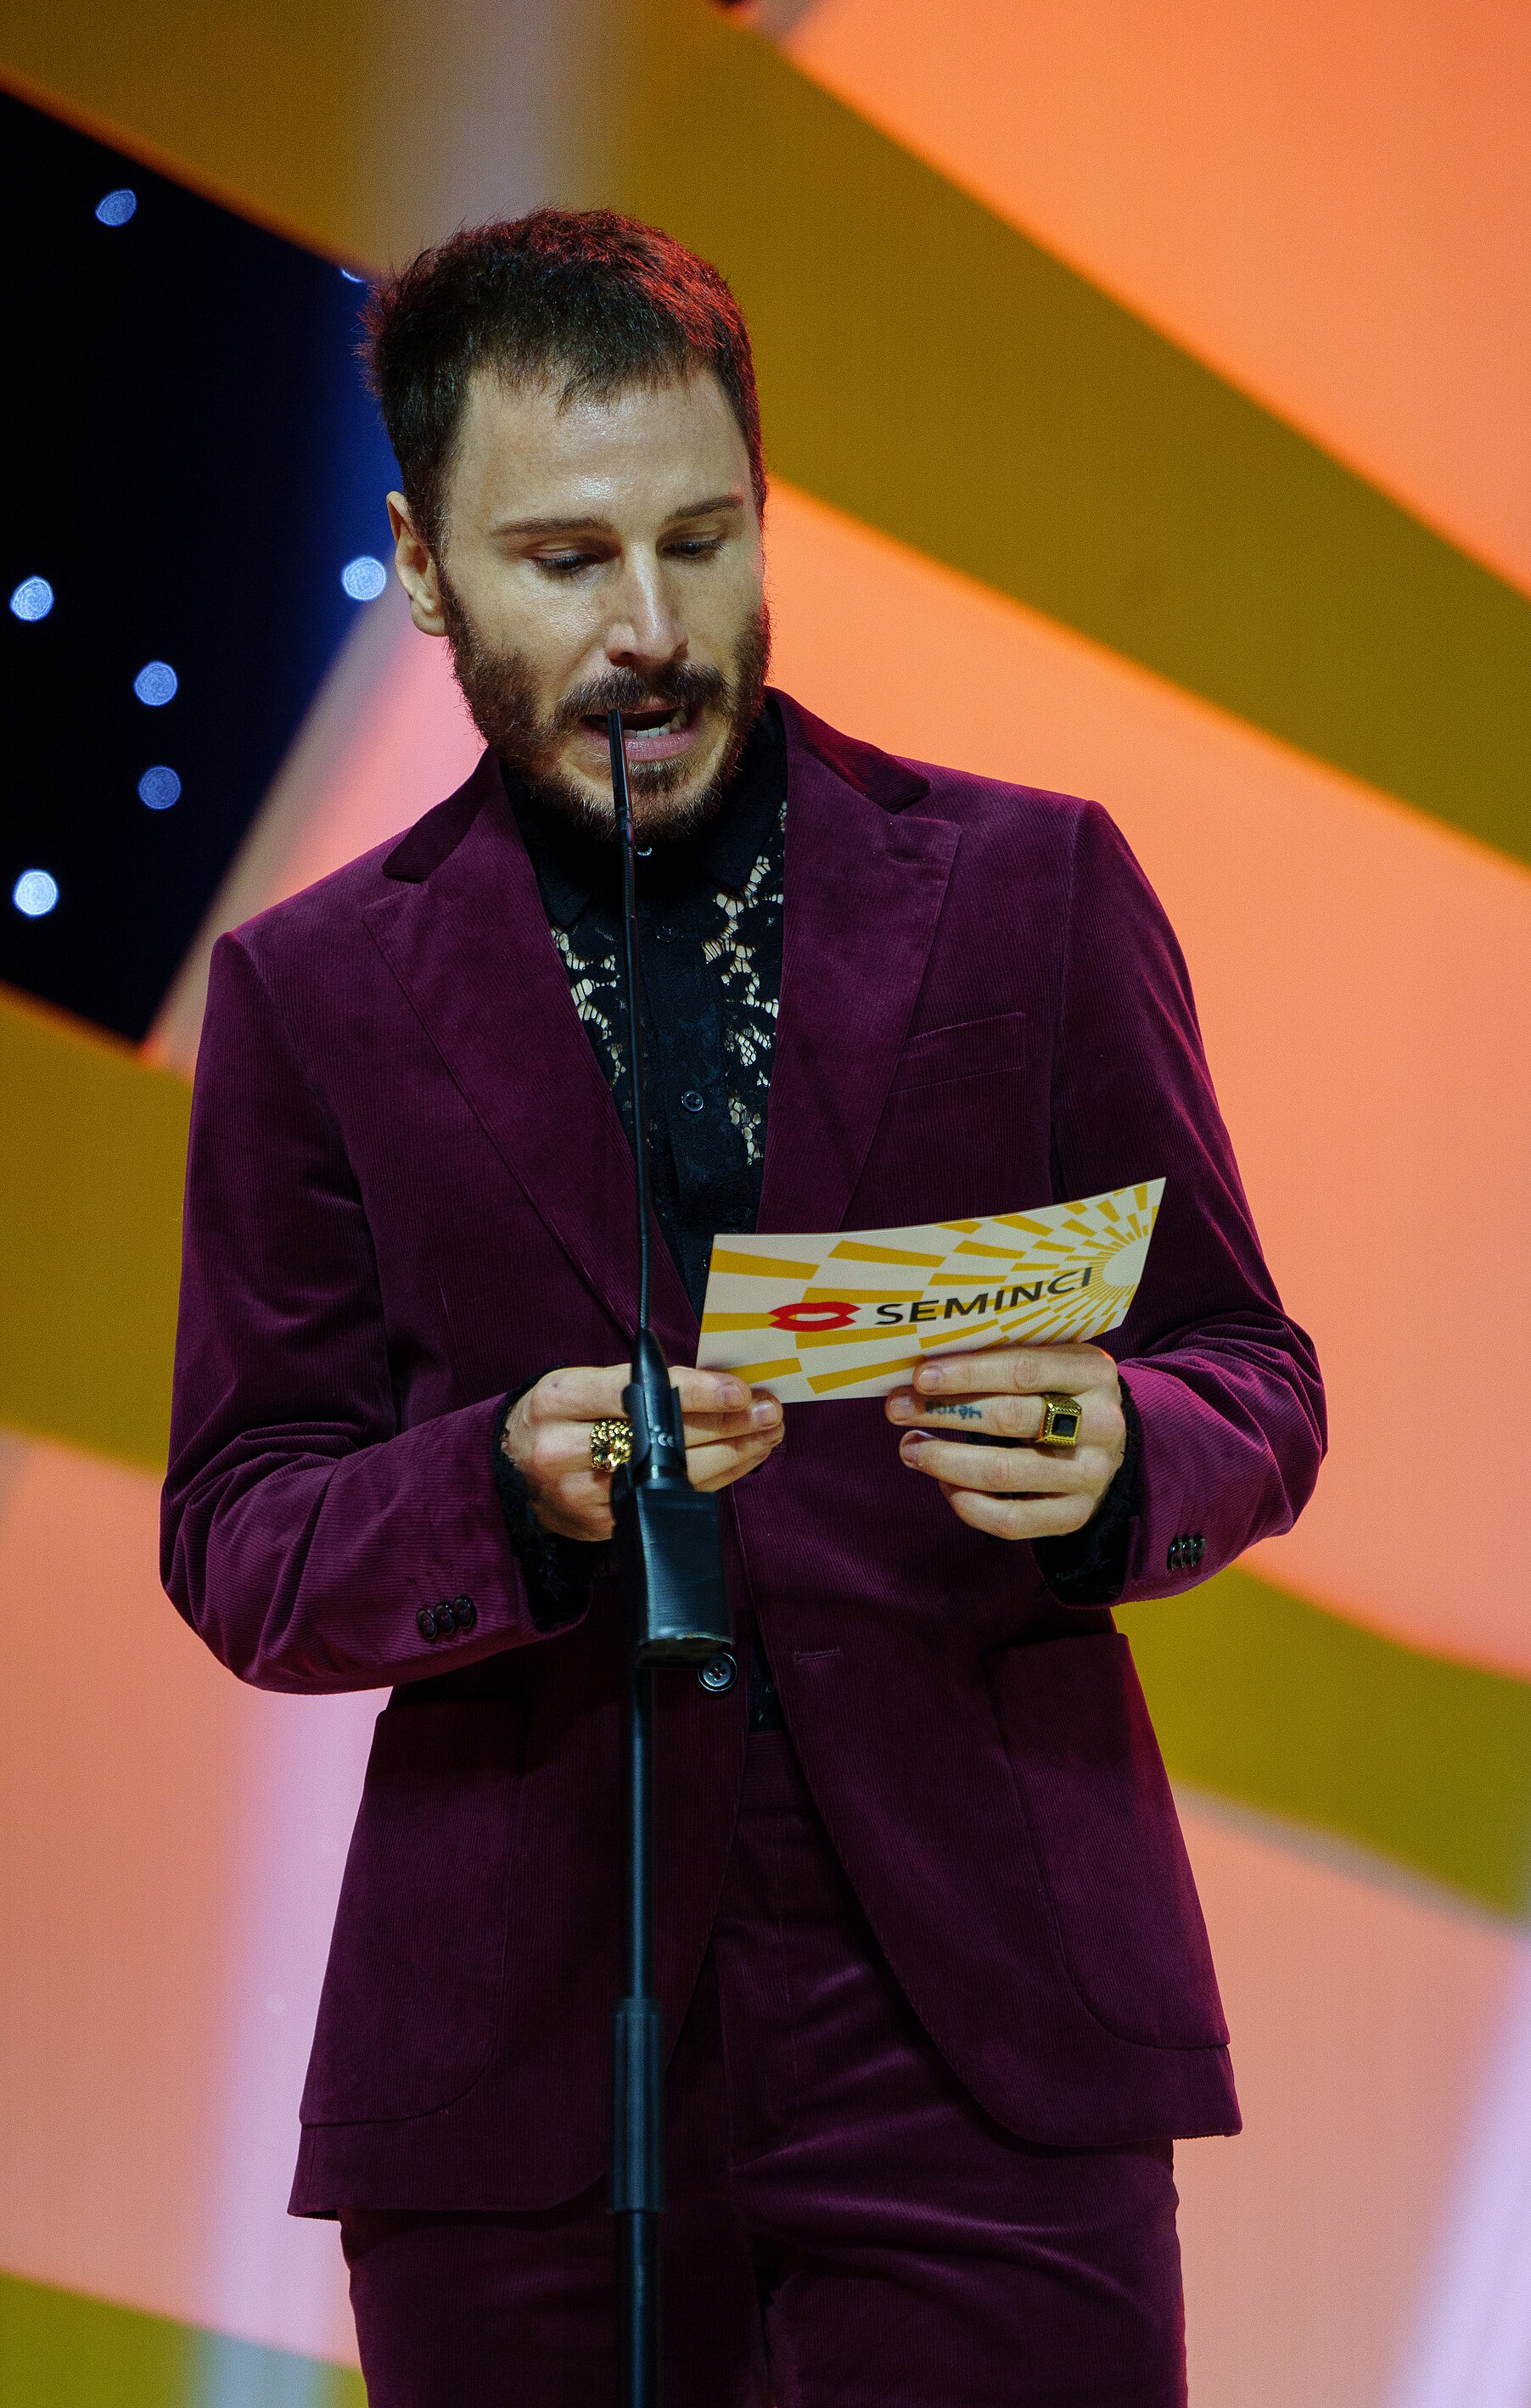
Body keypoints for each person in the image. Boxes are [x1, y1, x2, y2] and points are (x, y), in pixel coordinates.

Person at [162, 208, 1325, 2407]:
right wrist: (497, 1485)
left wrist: (1125, 1452)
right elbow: (240, 1531)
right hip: (521, 2053)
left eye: (701, 541)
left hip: (981, 2020)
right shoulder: (308, 994)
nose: (650, 627)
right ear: (422, 568)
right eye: (564, 559)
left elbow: (1248, 1371)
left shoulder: (1034, 884)